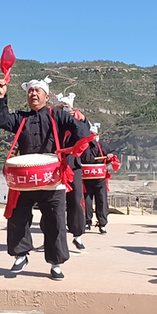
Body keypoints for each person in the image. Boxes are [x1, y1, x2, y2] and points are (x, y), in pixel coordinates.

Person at [0, 76, 90, 280]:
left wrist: (77, 123)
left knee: (55, 220)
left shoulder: (58, 117)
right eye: (30, 91)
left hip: (51, 177)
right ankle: (20, 255)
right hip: (26, 178)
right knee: (17, 217)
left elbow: (83, 133)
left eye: (38, 91)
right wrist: (1, 96)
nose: (33, 94)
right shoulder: (21, 118)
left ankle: (56, 263)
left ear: (47, 96)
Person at [54, 92, 87, 250]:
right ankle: (51, 234)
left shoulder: (77, 122)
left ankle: (77, 234)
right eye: (62, 107)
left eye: (67, 108)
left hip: (73, 165)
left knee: (75, 200)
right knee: (53, 202)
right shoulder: (53, 121)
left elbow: (87, 136)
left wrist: (82, 120)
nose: (64, 110)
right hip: (54, 165)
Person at [80, 123, 117, 234]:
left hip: (100, 179)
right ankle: (87, 222)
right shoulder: (82, 146)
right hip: (86, 180)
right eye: (89, 134)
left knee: (102, 201)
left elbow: (114, 152)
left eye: (93, 134)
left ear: (97, 135)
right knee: (87, 202)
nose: (92, 136)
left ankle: (102, 224)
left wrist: (111, 155)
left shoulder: (102, 146)